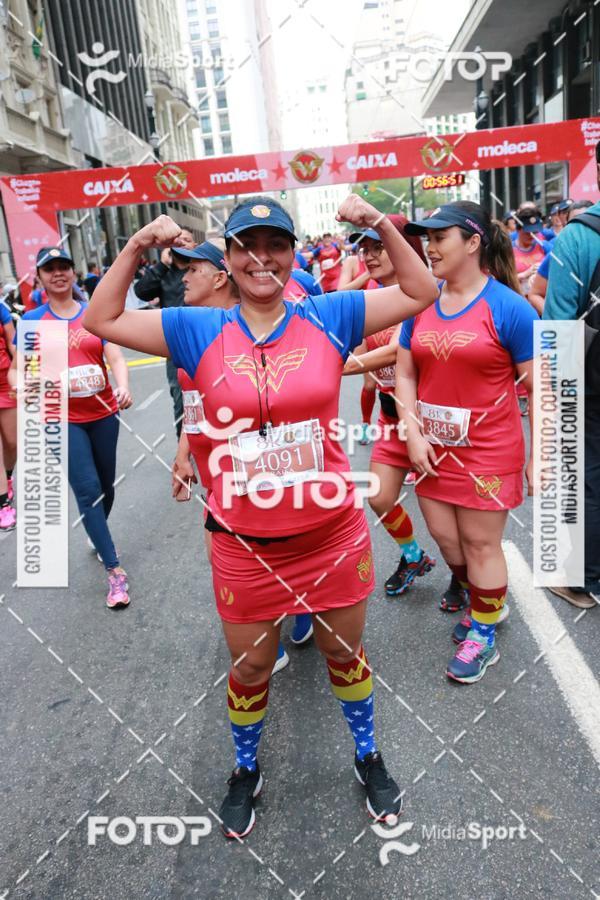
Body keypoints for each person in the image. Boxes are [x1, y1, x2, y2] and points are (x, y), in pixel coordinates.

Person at [83, 194, 439, 837]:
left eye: (276, 244)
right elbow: (101, 316)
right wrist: (137, 245)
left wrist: (380, 223)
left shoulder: (330, 315)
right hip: (244, 545)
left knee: (345, 655)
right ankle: (245, 768)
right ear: (228, 260)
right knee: (249, 666)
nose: (262, 258)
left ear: (293, 253)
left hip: (330, 535)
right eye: (247, 245)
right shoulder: (196, 328)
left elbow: (420, 288)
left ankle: (367, 755)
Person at [397, 201, 537, 683]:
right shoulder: (418, 303)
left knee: (480, 544)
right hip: (433, 450)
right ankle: (481, 598)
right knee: (447, 540)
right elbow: (405, 372)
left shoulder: (510, 308)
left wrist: (540, 455)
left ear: (473, 242)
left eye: (439, 238)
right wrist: (412, 433)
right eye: (426, 239)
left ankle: (483, 631)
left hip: (490, 450)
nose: (429, 247)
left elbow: (538, 386)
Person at [169, 240, 313, 664]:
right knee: (226, 554)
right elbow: (193, 403)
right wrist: (183, 454)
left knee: (279, 543)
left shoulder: (252, 329)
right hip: (212, 468)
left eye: (193, 269)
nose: (184, 277)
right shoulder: (190, 330)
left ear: (218, 276)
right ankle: (268, 634)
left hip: (257, 466)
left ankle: (304, 605)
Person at [9, 247, 133, 607]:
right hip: (59, 417)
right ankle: (115, 571)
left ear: (74, 273)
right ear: (40, 278)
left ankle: (98, 532)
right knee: (88, 488)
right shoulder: (33, 320)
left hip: (104, 412)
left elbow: (114, 356)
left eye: (64, 267)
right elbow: (20, 369)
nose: (58, 274)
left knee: (106, 486)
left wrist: (123, 384)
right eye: (50, 269)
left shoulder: (93, 313)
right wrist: (22, 383)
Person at [342, 217, 437, 599]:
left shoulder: (422, 295)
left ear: (404, 248)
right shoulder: (370, 298)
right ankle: (413, 556)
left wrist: (343, 365)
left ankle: (467, 580)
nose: (368, 255)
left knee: (449, 523)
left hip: (428, 420)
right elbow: (354, 343)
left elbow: (397, 351)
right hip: (389, 417)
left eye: (378, 246)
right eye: (363, 249)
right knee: (380, 497)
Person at [543, 142, 600, 608]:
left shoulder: (577, 238)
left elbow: (560, 328)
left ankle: (580, 577)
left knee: (586, 475)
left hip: (592, 381)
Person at [134, 226, 196, 437]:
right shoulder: (163, 273)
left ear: (195, 244)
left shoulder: (203, 268)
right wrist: (161, 265)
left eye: (187, 240)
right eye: (178, 240)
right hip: (176, 350)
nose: (183, 243)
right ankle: (184, 453)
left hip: (206, 342)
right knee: (181, 401)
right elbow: (141, 291)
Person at [528, 201, 594, 316]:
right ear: (566, 225)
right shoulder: (559, 252)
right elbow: (535, 293)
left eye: (587, 221)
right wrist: (557, 320)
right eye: (576, 222)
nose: (581, 229)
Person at [0, 300, 16, 531]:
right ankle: (4, 504)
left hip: (6, 381)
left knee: (12, 442)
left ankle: (8, 478)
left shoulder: (0, 307)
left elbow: (14, 344)